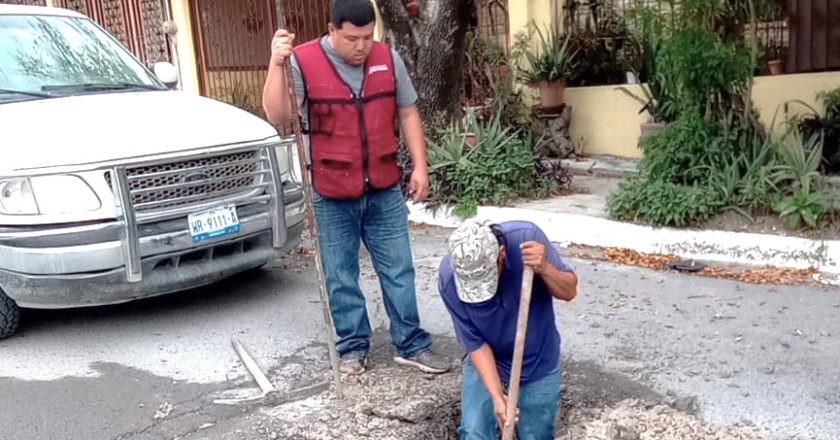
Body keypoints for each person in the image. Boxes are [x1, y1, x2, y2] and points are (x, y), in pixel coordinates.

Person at [261, 0, 449, 375]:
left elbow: (408, 111)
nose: (361, 47)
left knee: (399, 270)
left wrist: (421, 168)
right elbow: (278, 115)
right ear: (332, 31)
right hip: (330, 189)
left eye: (367, 37)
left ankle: (411, 344)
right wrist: (275, 64)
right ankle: (352, 348)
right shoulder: (301, 61)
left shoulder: (387, 58)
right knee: (340, 274)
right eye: (351, 39)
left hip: (382, 186)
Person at [438, 219, 579, 439]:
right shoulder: (450, 279)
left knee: (536, 435)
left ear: (501, 254)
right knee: (474, 431)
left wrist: (545, 268)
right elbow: (474, 343)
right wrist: (497, 396)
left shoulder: (526, 239)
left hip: (537, 357)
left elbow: (569, 291)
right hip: (488, 358)